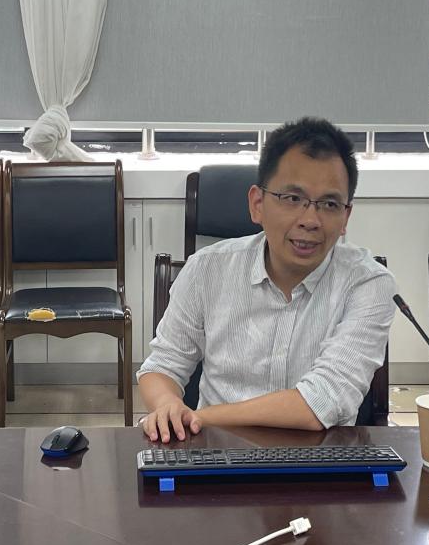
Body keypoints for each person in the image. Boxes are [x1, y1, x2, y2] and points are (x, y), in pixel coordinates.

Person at [137, 116, 395, 442]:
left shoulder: (369, 283)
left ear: (345, 216)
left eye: (329, 204)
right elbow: (162, 366)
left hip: (323, 460)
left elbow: (322, 400)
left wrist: (197, 418)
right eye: (293, 199)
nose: (310, 220)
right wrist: (167, 406)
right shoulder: (206, 269)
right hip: (218, 456)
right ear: (257, 204)